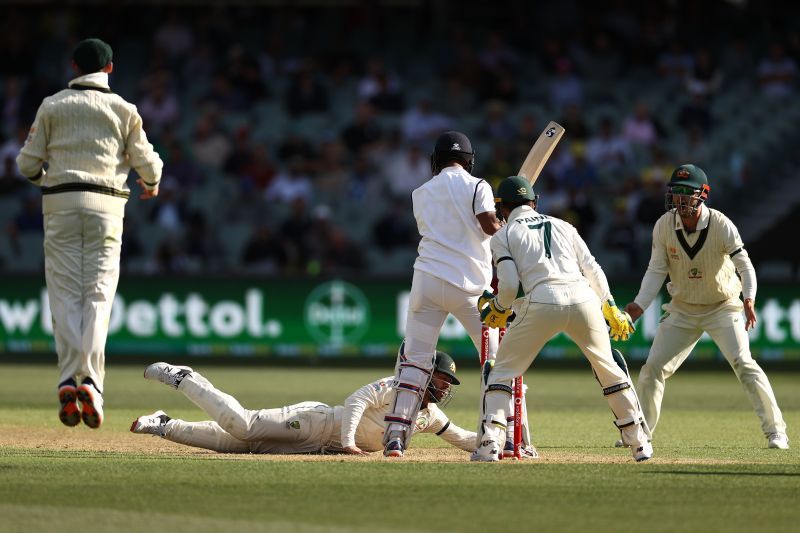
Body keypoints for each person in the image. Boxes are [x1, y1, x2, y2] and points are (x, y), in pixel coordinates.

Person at [16, 38, 162, 429]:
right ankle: (92, 383)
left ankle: (70, 379)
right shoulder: (123, 109)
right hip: (107, 207)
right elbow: (147, 162)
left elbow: (26, 164)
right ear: (110, 68)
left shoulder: (52, 104)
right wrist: (152, 183)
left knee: (64, 294)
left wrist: (50, 182)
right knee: (97, 294)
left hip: (60, 205)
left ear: (73, 66)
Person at [473, 176, 652, 462]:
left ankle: (490, 445)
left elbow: (507, 286)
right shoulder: (564, 225)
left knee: (501, 373)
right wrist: (611, 307)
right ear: (534, 202)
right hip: (583, 297)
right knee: (608, 369)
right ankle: (639, 443)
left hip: (542, 299)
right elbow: (592, 268)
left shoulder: (502, 236)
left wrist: (499, 307)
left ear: (501, 209)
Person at [622, 164, 789, 449]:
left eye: (688, 194)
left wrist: (748, 298)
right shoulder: (664, 225)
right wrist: (638, 305)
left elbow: (745, 267)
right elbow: (655, 271)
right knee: (652, 368)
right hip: (683, 308)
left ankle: (776, 431)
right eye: (676, 193)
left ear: (703, 195)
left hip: (722, 307)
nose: (681, 201)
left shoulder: (721, 224)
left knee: (744, 363)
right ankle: (642, 433)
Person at [382, 131, 504, 458]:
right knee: (497, 361)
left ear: (436, 160)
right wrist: (505, 218)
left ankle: (395, 436)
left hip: (427, 281)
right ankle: (498, 439)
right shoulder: (479, 186)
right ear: (469, 160)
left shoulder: (419, 192)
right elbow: (487, 225)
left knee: (414, 362)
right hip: (470, 288)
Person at [131, 352, 477, 455]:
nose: (446, 388)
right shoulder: (396, 386)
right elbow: (355, 400)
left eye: (448, 384)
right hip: (318, 422)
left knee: (237, 445)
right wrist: (347, 442)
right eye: (443, 380)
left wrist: (502, 441)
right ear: (426, 375)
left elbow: (462, 438)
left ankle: (164, 425)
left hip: (318, 447)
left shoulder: (429, 415)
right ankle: (183, 377)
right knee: (245, 425)